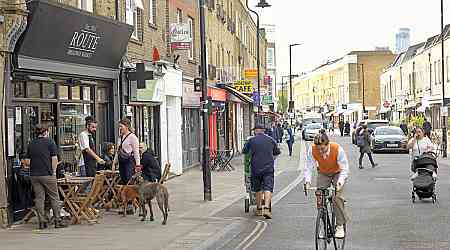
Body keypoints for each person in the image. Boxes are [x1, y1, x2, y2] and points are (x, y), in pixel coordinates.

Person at [304, 130, 349, 238]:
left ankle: (339, 226)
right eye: (318, 149)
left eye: (323, 148)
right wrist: (307, 181)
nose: (320, 151)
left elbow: (345, 169)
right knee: (320, 198)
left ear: (327, 144)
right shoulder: (312, 150)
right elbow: (309, 167)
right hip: (323, 172)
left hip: (338, 172)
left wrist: (340, 182)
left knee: (336, 198)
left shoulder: (337, 149)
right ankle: (324, 227)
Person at [23, 124, 68, 229]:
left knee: (39, 198)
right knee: (54, 197)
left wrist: (35, 164)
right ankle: (57, 220)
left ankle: (42, 222)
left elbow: (26, 161)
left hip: (34, 175)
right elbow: (54, 159)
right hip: (47, 174)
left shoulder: (31, 144)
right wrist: (53, 172)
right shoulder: (50, 142)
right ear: (46, 132)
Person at [243, 124, 281, 219]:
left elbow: (244, 151)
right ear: (263, 130)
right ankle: (267, 208)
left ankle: (259, 209)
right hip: (268, 168)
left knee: (258, 188)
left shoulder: (251, 140)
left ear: (256, 131)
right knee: (268, 187)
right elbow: (277, 152)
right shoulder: (271, 140)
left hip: (256, 168)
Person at [113, 118, 141, 184]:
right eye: (119, 126)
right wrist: (114, 163)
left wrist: (138, 166)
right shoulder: (120, 137)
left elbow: (136, 153)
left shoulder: (133, 137)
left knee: (129, 180)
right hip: (121, 162)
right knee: (123, 180)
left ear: (127, 126)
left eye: (121, 126)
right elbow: (118, 151)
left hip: (129, 162)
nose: (120, 128)